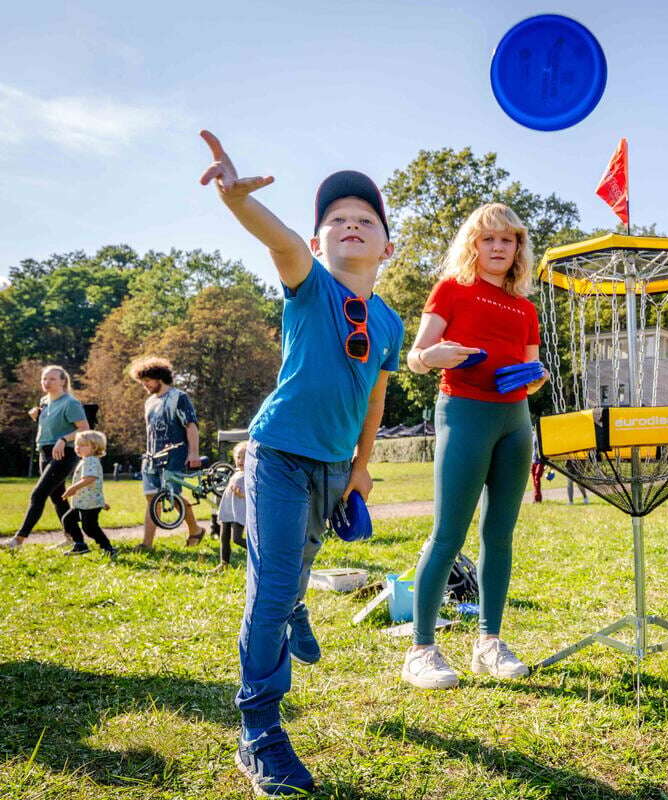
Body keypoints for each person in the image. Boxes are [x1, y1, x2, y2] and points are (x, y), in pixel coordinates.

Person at [200, 130, 404, 796]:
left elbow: (374, 395)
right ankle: (259, 730)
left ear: (386, 247)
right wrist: (237, 203)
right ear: (321, 244)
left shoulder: (392, 323)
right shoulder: (308, 282)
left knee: (304, 562)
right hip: (279, 455)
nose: (350, 223)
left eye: (364, 219)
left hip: (331, 466)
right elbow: (280, 239)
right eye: (336, 220)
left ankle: (296, 609)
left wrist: (360, 466)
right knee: (273, 586)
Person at [403, 202, 545, 690]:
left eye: (508, 240)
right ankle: (421, 650)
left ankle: (489, 642)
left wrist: (534, 377)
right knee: (448, 534)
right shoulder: (451, 290)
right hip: (463, 413)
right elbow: (415, 358)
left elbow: (531, 373)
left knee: (499, 535)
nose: (499, 247)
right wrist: (432, 355)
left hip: (514, 421)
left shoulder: (526, 308)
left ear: (518, 249)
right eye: (489, 239)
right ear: (474, 245)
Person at [2, 365, 91, 550]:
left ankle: (18, 540)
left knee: (38, 494)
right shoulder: (44, 401)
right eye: (44, 379)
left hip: (63, 452)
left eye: (52, 379)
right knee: (58, 497)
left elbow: (84, 429)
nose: (47, 382)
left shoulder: (71, 403)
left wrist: (63, 439)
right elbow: (51, 422)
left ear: (62, 381)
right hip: (45, 452)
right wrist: (36, 414)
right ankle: (75, 539)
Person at [129, 356, 204, 549]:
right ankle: (150, 543)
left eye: (147, 380)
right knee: (152, 498)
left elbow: (191, 426)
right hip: (152, 456)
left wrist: (193, 453)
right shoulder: (149, 402)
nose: (145, 385)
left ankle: (192, 530)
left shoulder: (178, 397)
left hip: (174, 454)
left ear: (159, 377)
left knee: (173, 496)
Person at [62, 430, 117, 561]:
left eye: (82, 445)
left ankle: (108, 548)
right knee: (68, 520)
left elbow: (90, 479)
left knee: (90, 528)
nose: (77, 447)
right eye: (76, 444)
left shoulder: (90, 461)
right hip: (84, 502)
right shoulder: (87, 460)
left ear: (94, 447)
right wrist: (102, 502)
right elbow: (95, 484)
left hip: (89, 504)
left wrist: (72, 489)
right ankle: (80, 544)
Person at [215, 441, 249, 569]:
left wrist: (242, 494)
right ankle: (224, 563)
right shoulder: (236, 473)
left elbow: (252, 493)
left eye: (245, 457)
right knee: (224, 537)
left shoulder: (250, 475)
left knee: (237, 539)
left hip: (238, 510)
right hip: (228, 509)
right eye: (238, 457)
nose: (241, 460)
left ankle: (259, 553)